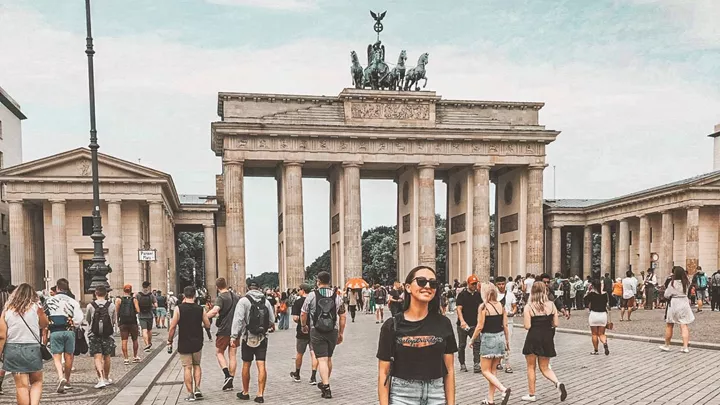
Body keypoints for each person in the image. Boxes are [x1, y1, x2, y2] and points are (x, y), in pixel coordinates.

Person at [377, 266, 457, 405]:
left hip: (436, 394)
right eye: (421, 281)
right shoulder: (392, 325)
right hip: (402, 395)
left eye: (432, 283)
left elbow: (449, 370)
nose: (427, 286)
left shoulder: (444, 323)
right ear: (408, 287)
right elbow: (383, 372)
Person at [0, 283, 49, 405]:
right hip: (32, 348)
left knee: (21, 387)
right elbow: (44, 324)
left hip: (13, 349)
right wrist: (41, 312)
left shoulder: (7, 311)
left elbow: (2, 336)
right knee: (36, 382)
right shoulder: (36, 308)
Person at [301, 271, 346, 399]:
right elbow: (342, 316)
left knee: (322, 359)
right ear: (329, 281)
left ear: (318, 281)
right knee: (328, 358)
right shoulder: (337, 297)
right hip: (332, 330)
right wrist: (341, 333)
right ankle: (325, 381)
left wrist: (304, 325)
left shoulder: (312, 296)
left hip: (317, 330)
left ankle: (326, 387)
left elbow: (303, 313)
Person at [521, 281, 567, 402]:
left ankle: (531, 394)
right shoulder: (551, 305)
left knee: (531, 367)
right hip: (547, 337)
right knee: (545, 367)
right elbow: (556, 323)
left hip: (533, 337)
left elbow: (527, 326)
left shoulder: (529, 306)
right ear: (545, 291)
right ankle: (557, 383)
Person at [230, 280, 275, 403]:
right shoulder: (265, 301)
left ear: (248, 288)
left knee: (246, 364)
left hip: (247, 337)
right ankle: (260, 394)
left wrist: (234, 337)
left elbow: (238, 320)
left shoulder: (243, 301)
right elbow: (272, 320)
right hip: (262, 338)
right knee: (261, 365)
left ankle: (245, 392)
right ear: (259, 288)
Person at [470, 283, 511, 405]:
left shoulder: (483, 307)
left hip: (488, 339)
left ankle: (503, 389)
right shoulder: (501, 305)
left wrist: (472, 340)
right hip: (500, 338)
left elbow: (479, 326)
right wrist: (507, 341)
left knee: (485, 370)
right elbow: (505, 325)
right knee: (493, 371)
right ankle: (490, 399)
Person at [168, 286, 211, 401]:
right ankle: (197, 389)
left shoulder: (178, 309)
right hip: (197, 341)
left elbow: (172, 327)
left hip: (184, 341)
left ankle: (190, 393)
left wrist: (170, 341)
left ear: (184, 295)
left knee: (187, 367)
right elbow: (207, 325)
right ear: (194, 295)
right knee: (197, 365)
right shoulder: (200, 309)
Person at [44, 278, 84, 394]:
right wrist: (73, 324)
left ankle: (61, 377)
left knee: (57, 357)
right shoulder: (73, 301)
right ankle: (67, 380)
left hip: (55, 331)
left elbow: (43, 315)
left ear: (57, 288)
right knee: (69, 356)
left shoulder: (50, 301)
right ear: (67, 288)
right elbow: (79, 318)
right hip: (69, 331)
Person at [205, 277, 240, 391]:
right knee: (233, 355)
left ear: (217, 287)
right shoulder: (235, 297)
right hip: (235, 329)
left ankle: (227, 375)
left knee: (219, 352)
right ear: (226, 284)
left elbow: (215, 310)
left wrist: (203, 316)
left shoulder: (221, 297)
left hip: (224, 330)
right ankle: (231, 381)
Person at [86, 286, 116, 389]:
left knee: (97, 357)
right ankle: (107, 378)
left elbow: (88, 320)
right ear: (106, 294)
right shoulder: (111, 305)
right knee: (107, 356)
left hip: (94, 334)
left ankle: (101, 379)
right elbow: (113, 320)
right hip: (107, 334)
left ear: (95, 293)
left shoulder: (90, 306)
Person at [659, 266, 695, 353]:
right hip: (684, 302)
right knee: (684, 325)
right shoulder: (686, 282)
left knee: (670, 325)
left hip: (674, 303)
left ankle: (667, 345)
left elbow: (666, 295)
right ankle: (685, 346)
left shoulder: (672, 283)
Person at [290, 284, 318, 385]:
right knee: (314, 353)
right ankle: (313, 377)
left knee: (299, 353)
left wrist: (301, 323)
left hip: (302, 330)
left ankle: (297, 374)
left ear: (302, 290)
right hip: (314, 329)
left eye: (299, 290)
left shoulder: (298, 302)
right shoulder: (314, 300)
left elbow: (295, 318)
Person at [456, 274, 482, 373]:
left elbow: (480, 307)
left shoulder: (477, 294)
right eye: (473, 284)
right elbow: (459, 309)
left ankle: (476, 364)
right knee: (462, 345)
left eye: (476, 284)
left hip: (474, 324)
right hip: (463, 324)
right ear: (468, 284)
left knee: (477, 343)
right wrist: (462, 321)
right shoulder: (462, 294)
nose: (474, 286)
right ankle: (462, 364)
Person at [495, 276, 517, 373]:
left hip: (509, 321)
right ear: (496, 285)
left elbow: (514, 306)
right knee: (499, 342)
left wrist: (513, 312)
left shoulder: (511, 295)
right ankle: (498, 360)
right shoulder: (494, 295)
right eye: (499, 284)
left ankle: (507, 363)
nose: (501, 286)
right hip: (497, 321)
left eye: (503, 284)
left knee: (508, 342)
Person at [115, 284, 141, 365]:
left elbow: (116, 311)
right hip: (133, 322)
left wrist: (117, 321)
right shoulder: (134, 299)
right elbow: (138, 310)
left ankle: (126, 358)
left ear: (123, 290)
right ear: (131, 290)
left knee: (124, 340)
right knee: (135, 339)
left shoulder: (119, 300)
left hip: (123, 322)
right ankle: (135, 356)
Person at [584, 278, 610, 355]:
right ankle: (605, 343)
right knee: (601, 334)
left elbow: (585, 301)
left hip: (594, 314)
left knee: (594, 334)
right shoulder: (605, 294)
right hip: (603, 315)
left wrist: (588, 291)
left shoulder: (591, 294)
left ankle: (596, 350)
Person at [136, 281, 158, 352]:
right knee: (149, 330)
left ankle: (146, 344)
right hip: (149, 315)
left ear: (142, 286)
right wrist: (152, 307)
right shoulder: (151, 295)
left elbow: (135, 304)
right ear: (148, 287)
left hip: (141, 315)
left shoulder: (138, 295)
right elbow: (156, 305)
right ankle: (149, 342)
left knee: (144, 330)